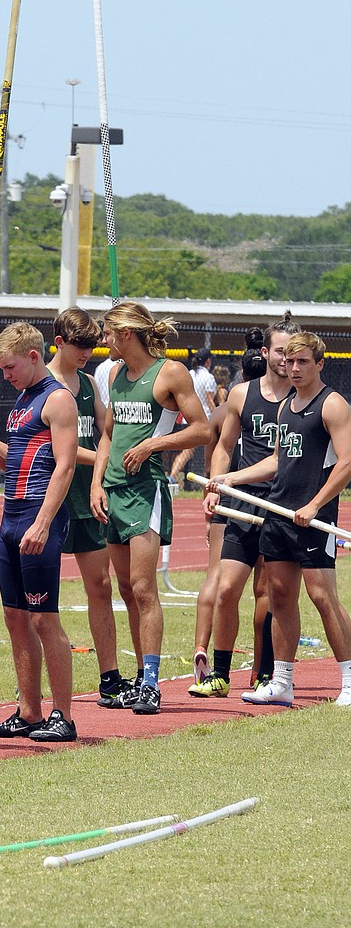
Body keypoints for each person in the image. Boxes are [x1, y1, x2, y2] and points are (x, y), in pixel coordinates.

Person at [212, 331, 351, 708]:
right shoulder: (285, 406)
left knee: (322, 597)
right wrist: (231, 478)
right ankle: (282, 682)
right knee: (281, 597)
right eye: (289, 361)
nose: (294, 368)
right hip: (278, 513)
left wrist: (315, 504)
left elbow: (346, 463)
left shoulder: (332, 404)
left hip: (313, 517)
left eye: (303, 361)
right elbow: (277, 461)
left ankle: (350, 679)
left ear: (320, 364)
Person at [90, 301, 211, 715]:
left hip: (147, 490)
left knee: (143, 588)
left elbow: (203, 429)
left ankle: (151, 683)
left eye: (108, 333)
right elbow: (107, 434)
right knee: (126, 589)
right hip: (114, 490)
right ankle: (140, 676)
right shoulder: (115, 375)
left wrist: (151, 445)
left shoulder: (170, 373)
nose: (103, 341)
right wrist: (96, 484)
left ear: (126, 334)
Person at [0, 323, 79, 742]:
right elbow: (10, 458)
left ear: (34, 357)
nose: (5, 375)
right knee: (16, 617)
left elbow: (65, 466)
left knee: (43, 618)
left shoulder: (57, 400)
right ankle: (28, 711)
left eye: (9, 367)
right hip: (10, 519)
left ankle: (64, 717)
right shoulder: (22, 401)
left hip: (37, 518)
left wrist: (43, 521)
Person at [192, 314, 299, 698]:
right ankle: (219, 675)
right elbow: (223, 446)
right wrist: (216, 487)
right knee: (226, 588)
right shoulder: (242, 394)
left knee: (270, 595)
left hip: (281, 505)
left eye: (293, 353)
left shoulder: (301, 401)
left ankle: (265, 672)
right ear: (266, 352)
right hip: (241, 505)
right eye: (281, 352)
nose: (287, 360)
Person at [46, 307, 132, 707]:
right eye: (79, 346)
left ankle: (110, 677)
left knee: (100, 586)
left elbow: (106, 432)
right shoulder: (41, 383)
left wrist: (108, 459)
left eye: (92, 346)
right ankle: (33, 683)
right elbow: (53, 447)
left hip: (86, 499)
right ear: (59, 342)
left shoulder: (87, 384)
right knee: (39, 596)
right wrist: (99, 458)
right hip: (46, 499)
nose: (86, 353)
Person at [191, 332, 269, 686]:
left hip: (242, 498)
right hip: (235, 498)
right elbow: (218, 453)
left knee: (220, 582)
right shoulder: (243, 405)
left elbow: (213, 456)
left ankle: (207, 650)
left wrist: (215, 486)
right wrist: (218, 487)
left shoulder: (226, 410)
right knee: (250, 590)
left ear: (240, 368)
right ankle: (248, 667)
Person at [170, 348, 217, 484]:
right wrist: (217, 415)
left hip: (187, 417)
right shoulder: (208, 377)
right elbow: (209, 401)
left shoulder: (189, 374)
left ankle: (176, 477)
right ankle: (173, 477)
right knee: (201, 451)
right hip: (204, 419)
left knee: (188, 451)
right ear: (208, 361)